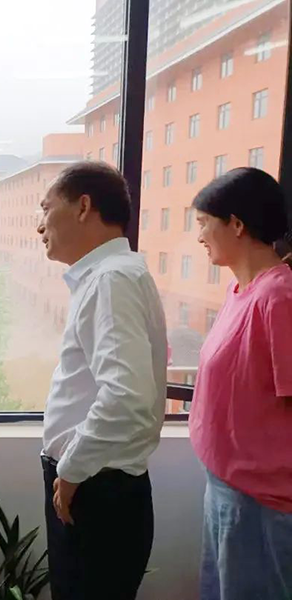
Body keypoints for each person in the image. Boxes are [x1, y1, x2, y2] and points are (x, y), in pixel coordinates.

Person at [37, 162, 167, 600]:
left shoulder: (112, 280)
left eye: (46, 208)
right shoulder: (113, 274)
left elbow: (126, 396)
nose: (40, 225)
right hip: (95, 480)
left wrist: (71, 470)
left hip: (96, 487)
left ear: (83, 207)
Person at [188, 168, 292, 600]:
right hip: (227, 488)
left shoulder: (279, 298)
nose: (199, 236)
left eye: (203, 223)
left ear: (236, 224)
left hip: (262, 501)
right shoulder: (239, 292)